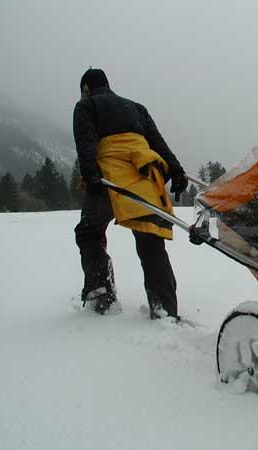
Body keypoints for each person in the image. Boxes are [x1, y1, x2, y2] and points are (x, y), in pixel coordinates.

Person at [73, 68, 188, 319]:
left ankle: (101, 295)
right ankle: (164, 311)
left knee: (89, 232)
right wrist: (177, 172)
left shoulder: (86, 106)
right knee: (150, 241)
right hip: (144, 178)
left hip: (109, 179)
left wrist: (91, 175)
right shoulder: (137, 108)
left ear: (86, 89)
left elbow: (86, 141)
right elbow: (158, 143)